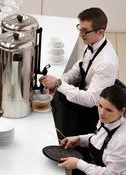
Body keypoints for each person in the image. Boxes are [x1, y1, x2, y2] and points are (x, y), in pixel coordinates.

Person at [40, 7, 119, 138]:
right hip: (82, 96)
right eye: (80, 29)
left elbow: (90, 100)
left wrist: (59, 84)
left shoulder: (106, 63)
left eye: (85, 31)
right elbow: (79, 68)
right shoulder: (93, 42)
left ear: (100, 32)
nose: (80, 34)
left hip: (90, 112)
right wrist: (61, 81)